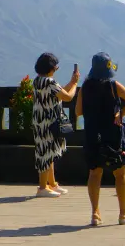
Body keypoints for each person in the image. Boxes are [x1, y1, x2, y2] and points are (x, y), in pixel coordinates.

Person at [75, 52, 125, 226]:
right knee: (120, 173)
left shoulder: (85, 86)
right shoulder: (113, 85)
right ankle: (123, 214)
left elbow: (78, 112)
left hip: (92, 134)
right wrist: (120, 114)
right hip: (113, 135)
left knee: (95, 173)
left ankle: (95, 214)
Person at [32, 52, 80, 198]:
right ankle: (42, 187)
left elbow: (59, 93)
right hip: (49, 122)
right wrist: (76, 84)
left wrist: (72, 82)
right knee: (46, 152)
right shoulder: (50, 82)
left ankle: (51, 184)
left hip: (40, 121)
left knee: (49, 151)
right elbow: (67, 96)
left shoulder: (38, 81)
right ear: (52, 68)